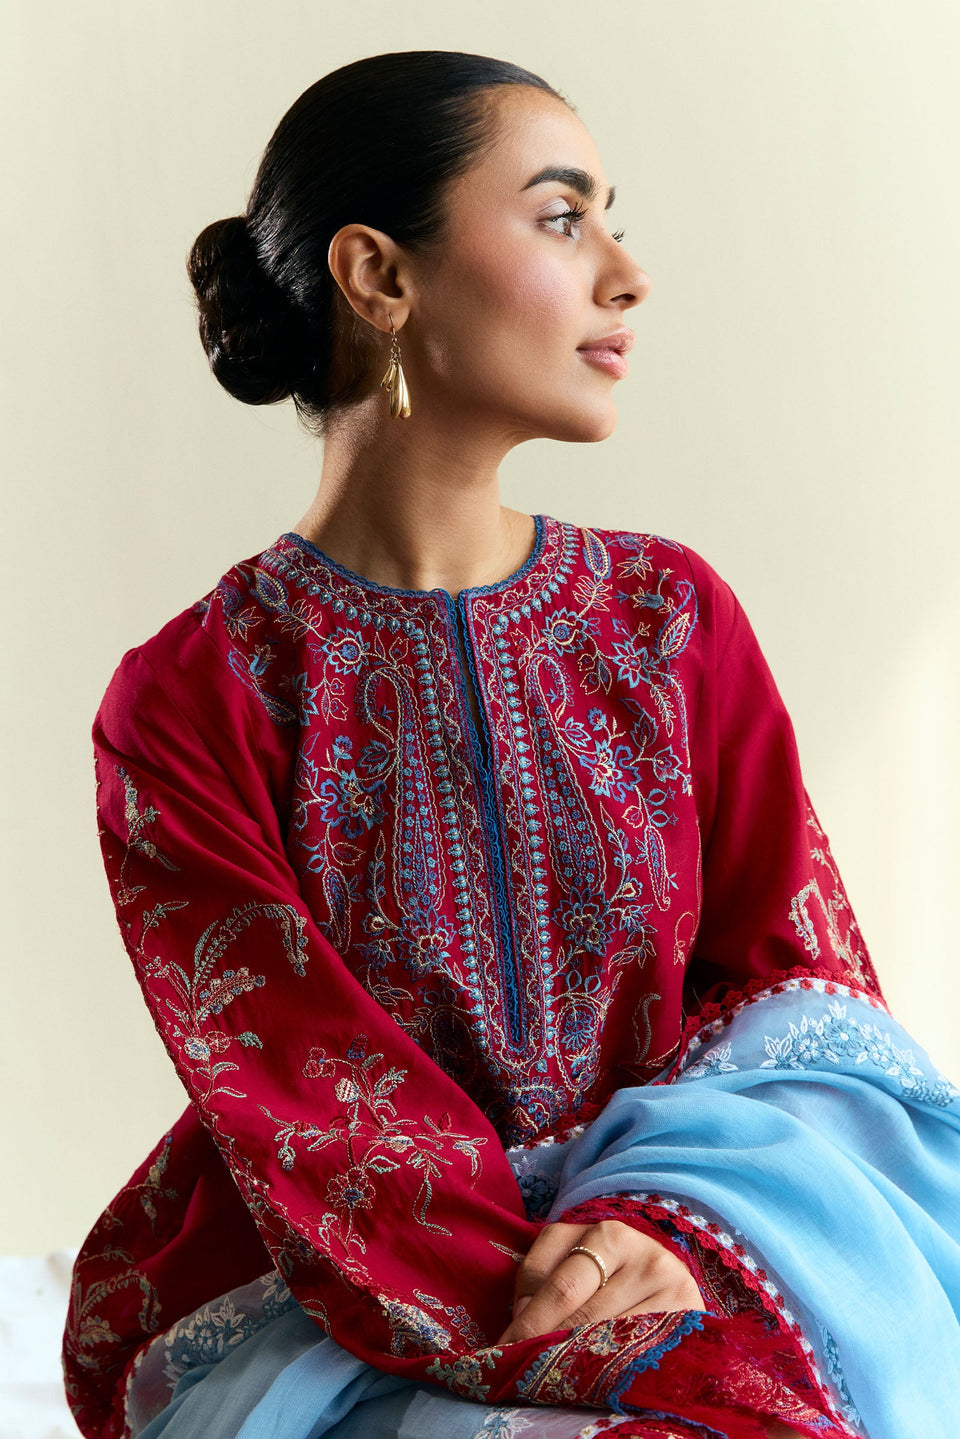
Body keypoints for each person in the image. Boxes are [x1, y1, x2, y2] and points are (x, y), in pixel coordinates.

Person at [62, 50, 960, 1439]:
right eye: (561, 217)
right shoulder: (193, 698)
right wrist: (564, 1310)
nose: (626, 276)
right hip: (343, 1294)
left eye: (613, 222)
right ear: (379, 277)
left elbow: (800, 998)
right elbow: (307, 1099)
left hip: (689, 1248)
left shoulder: (669, 620)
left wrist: (666, 1229)